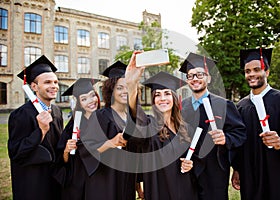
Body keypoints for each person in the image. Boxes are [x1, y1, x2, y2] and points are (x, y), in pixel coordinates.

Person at [124, 52, 198, 200]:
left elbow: (196, 161)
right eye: (157, 95)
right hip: (160, 192)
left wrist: (191, 164)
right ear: (153, 100)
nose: (162, 98)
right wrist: (132, 85)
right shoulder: (149, 126)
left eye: (167, 94)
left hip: (186, 191)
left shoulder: (186, 128)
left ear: (174, 98)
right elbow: (135, 118)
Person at [231, 48, 280, 200]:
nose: (251, 74)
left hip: (277, 169)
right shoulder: (240, 106)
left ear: (267, 72)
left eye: (257, 69)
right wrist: (237, 169)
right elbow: (238, 142)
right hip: (250, 172)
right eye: (247, 71)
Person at [178, 52, 246, 200]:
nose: (195, 79)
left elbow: (240, 134)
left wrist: (225, 138)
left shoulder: (224, 105)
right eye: (190, 76)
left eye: (199, 75)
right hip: (187, 169)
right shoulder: (181, 107)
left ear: (208, 78)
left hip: (215, 170)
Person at [8, 55, 63, 200]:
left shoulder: (57, 111)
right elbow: (16, 153)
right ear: (34, 86)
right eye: (47, 82)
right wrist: (41, 131)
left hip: (55, 179)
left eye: (56, 82)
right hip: (33, 183)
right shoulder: (21, 114)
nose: (54, 86)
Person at [82, 61, 137, 200]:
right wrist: (110, 142)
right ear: (111, 90)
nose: (125, 91)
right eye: (119, 88)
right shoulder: (99, 116)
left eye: (127, 87)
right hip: (105, 180)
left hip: (127, 178)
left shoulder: (133, 117)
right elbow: (85, 149)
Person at [56, 78, 101, 199]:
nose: (91, 101)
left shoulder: (105, 119)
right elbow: (63, 160)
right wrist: (66, 150)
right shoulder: (74, 124)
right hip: (79, 181)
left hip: (102, 179)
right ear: (79, 103)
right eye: (84, 99)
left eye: (92, 96)